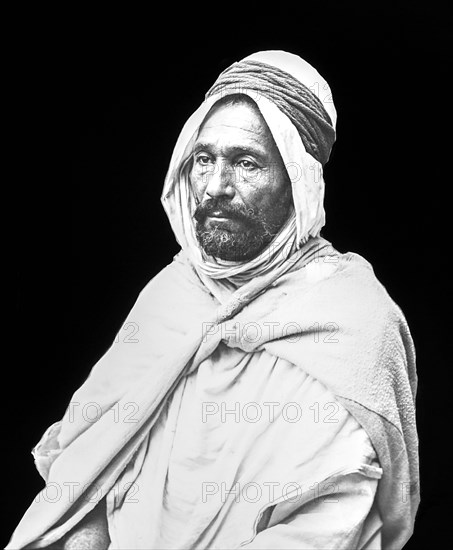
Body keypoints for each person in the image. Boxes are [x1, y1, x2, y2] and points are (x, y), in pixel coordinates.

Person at [8, 50, 419, 550]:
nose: (216, 187)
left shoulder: (352, 325)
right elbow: (91, 472)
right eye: (204, 160)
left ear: (299, 182)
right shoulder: (172, 294)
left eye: (247, 163)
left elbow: (320, 527)